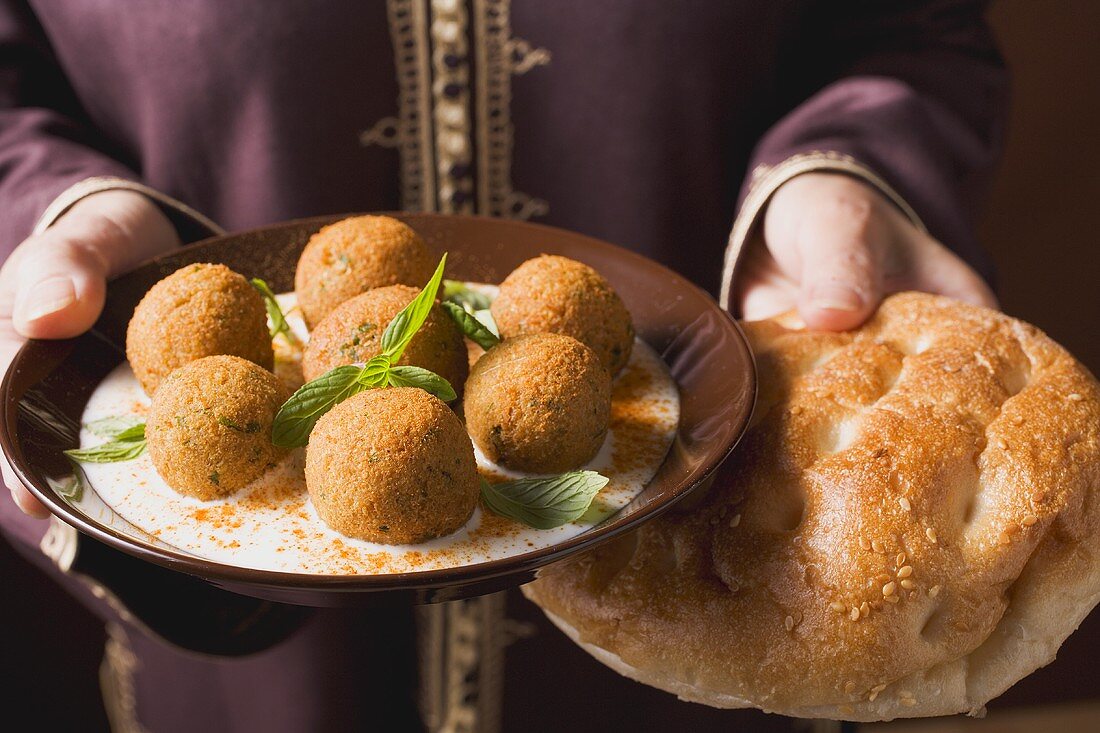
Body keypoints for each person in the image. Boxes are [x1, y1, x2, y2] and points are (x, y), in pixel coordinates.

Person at [0, 2, 1005, 731]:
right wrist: (50, 213)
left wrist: (844, 164)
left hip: (700, 547)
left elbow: (911, 31)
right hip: (244, 675)